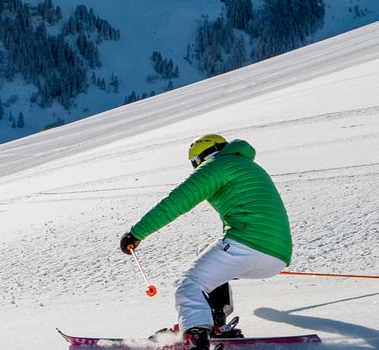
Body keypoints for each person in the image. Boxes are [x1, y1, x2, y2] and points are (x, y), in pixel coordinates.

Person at [120, 134, 292, 350]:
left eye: (195, 164)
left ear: (201, 157)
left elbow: (177, 201)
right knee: (207, 256)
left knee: (188, 285)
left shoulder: (217, 164)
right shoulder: (245, 165)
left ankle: (196, 338)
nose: (196, 168)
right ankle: (213, 322)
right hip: (277, 255)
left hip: (247, 243)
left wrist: (136, 234)